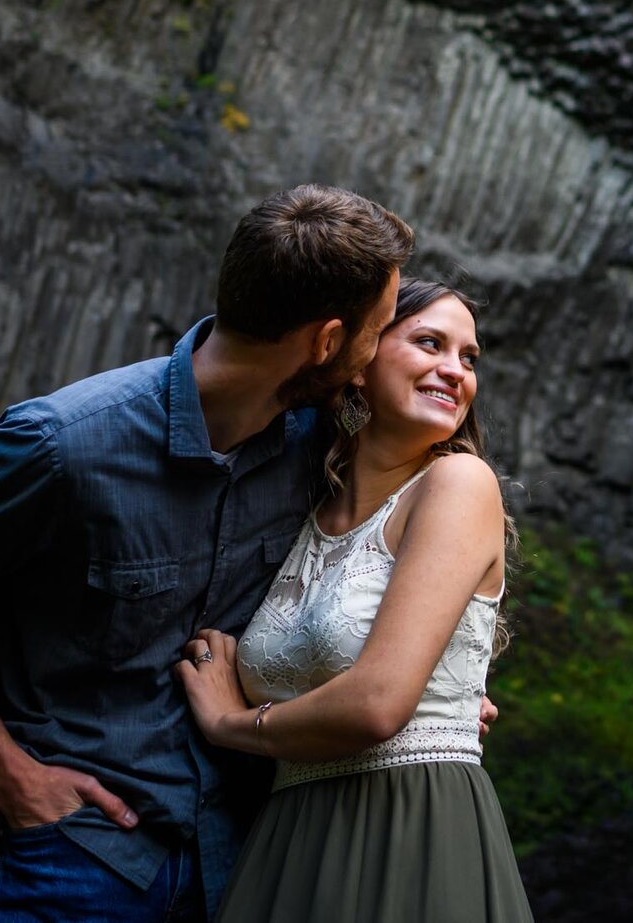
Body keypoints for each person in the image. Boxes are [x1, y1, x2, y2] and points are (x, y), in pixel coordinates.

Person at [0, 184, 456, 922]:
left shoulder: (319, 449)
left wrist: (439, 697)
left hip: (242, 861)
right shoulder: (62, 445)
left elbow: (377, 565)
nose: (374, 354)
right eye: (377, 331)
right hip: (86, 858)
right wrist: (4, 770)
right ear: (326, 341)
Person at [174, 278, 535, 923]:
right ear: (361, 362)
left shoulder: (458, 483)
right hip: (287, 835)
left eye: (469, 357)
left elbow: (376, 706)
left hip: (411, 821)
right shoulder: (300, 509)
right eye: (430, 343)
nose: (455, 370)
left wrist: (230, 723)